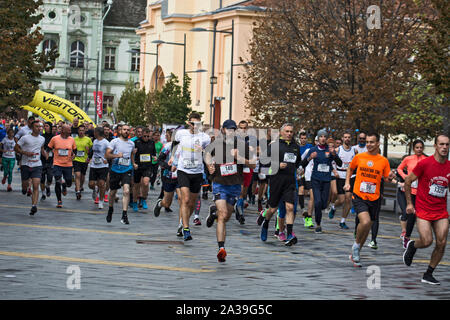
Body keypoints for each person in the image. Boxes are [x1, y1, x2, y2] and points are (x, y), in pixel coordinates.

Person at [402, 134, 449, 285]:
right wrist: (410, 204)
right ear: (435, 146)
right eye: (441, 144)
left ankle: (428, 274)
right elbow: (408, 181)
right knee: (427, 241)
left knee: (441, 243)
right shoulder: (425, 164)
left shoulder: (449, 166)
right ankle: (412, 245)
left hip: (440, 210)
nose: (444, 147)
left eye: (447, 145)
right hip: (423, 209)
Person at [205, 119, 254, 262]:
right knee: (223, 213)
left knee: (226, 217)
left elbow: (253, 164)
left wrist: (240, 158)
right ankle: (221, 248)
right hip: (219, 183)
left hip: (234, 185)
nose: (231, 132)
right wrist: (209, 165)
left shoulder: (242, 145)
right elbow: (207, 154)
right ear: (223, 130)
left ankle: (213, 212)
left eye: (233, 129)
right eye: (228, 129)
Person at [344, 132, 394, 267]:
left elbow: (386, 178)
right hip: (359, 195)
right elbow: (350, 168)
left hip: (375, 197)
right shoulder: (360, 157)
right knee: (365, 222)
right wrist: (348, 182)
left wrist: (390, 177)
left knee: (368, 227)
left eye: (372, 142)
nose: (369, 144)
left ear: (378, 143)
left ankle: (356, 252)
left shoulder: (383, 161)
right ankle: (356, 245)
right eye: (367, 142)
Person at [258, 123, 302, 246]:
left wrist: (300, 168)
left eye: (291, 132)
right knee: (272, 209)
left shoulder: (295, 147)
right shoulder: (274, 146)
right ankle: (265, 223)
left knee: (290, 208)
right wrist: (277, 165)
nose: (289, 134)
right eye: (287, 131)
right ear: (281, 132)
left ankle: (289, 234)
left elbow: (297, 162)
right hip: (276, 180)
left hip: (290, 182)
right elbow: (263, 162)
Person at [170, 113, 211, 241]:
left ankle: (182, 222)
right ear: (189, 123)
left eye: (198, 124)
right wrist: (173, 159)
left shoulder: (205, 137)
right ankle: (186, 229)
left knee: (192, 203)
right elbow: (175, 146)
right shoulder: (181, 134)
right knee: (185, 199)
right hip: (183, 170)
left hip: (197, 171)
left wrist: (203, 151)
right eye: (193, 124)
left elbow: (209, 153)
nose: (195, 126)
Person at [303, 130, 342, 233]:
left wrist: (334, 155)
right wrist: (310, 158)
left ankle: (324, 209)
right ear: (318, 138)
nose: (323, 138)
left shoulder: (330, 150)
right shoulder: (313, 150)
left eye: (325, 136)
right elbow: (302, 163)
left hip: (326, 180)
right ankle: (318, 224)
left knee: (323, 204)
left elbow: (340, 163)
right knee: (317, 202)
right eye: (321, 136)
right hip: (315, 180)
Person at [396, 140, 427, 248]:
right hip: (409, 191)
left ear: (423, 148)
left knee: (416, 215)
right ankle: (407, 237)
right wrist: (406, 178)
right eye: (417, 147)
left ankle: (409, 235)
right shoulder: (408, 159)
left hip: (420, 191)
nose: (419, 149)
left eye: (421, 147)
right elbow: (399, 169)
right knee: (411, 213)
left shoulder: (426, 160)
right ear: (414, 148)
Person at [14, 120, 47, 215]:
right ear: (32, 128)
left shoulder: (42, 139)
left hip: (37, 165)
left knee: (36, 185)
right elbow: (16, 148)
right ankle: (24, 189)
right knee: (25, 185)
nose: (39, 128)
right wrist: (25, 153)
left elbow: (41, 148)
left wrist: (45, 154)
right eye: (37, 126)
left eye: (40, 127)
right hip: (25, 164)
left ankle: (34, 206)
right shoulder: (25, 138)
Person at [105, 124, 136, 224]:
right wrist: (116, 155)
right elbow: (107, 155)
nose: (126, 131)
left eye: (128, 130)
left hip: (127, 169)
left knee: (126, 191)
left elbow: (131, 154)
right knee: (112, 192)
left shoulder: (131, 144)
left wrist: (133, 163)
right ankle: (110, 209)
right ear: (120, 131)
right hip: (115, 170)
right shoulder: (114, 141)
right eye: (124, 130)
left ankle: (124, 215)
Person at [329, 131, 355, 229]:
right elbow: (330, 161)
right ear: (342, 138)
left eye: (349, 137)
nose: (347, 139)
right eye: (345, 137)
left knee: (348, 199)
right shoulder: (338, 150)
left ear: (350, 138)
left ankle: (342, 221)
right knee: (341, 200)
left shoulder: (354, 151)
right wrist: (334, 171)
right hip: (340, 175)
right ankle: (333, 207)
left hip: (350, 176)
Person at [48, 124, 77, 208]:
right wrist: (47, 155)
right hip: (57, 163)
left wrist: (74, 155)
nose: (70, 132)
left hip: (68, 164)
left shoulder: (72, 139)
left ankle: (64, 185)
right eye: (69, 130)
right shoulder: (55, 139)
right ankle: (59, 200)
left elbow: (75, 150)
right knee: (57, 180)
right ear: (63, 130)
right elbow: (49, 148)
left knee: (69, 182)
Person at [132, 128, 156, 211]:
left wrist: (155, 157)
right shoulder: (136, 142)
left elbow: (153, 153)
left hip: (148, 166)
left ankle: (143, 199)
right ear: (141, 134)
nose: (146, 137)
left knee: (146, 183)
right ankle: (135, 202)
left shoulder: (152, 142)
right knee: (136, 186)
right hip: (138, 166)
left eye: (148, 136)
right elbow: (131, 154)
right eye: (144, 136)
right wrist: (133, 163)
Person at [88, 127, 110, 209]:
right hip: (94, 165)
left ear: (97, 133)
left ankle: (101, 201)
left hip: (103, 166)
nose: (93, 133)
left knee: (101, 183)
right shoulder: (95, 141)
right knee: (91, 184)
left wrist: (107, 159)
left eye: (94, 132)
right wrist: (89, 158)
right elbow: (93, 151)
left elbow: (111, 152)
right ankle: (95, 189)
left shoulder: (106, 143)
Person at [73, 125, 93, 200]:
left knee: (82, 175)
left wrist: (88, 152)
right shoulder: (74, 139)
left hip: (84, 160)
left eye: (82, 130)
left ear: (85, 131)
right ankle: (78, 191)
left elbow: (91, 150)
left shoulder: (88, 140)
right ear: (78, 131)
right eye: (80, 130)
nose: (81, 132)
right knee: (77, 175)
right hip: (76, 159)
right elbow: (72, 149)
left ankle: (80, 186)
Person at [40, 122, 54, 200]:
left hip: (51, 159)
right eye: (44, 126)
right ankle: (43, 193)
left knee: (49, 177)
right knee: (42, 178)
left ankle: (47, 186)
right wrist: (44, 153)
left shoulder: (54, 137)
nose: (45, 127)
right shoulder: (42, 137)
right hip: (42, 159)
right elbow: (40, 146)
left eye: (47, 126)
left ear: (50, 127)